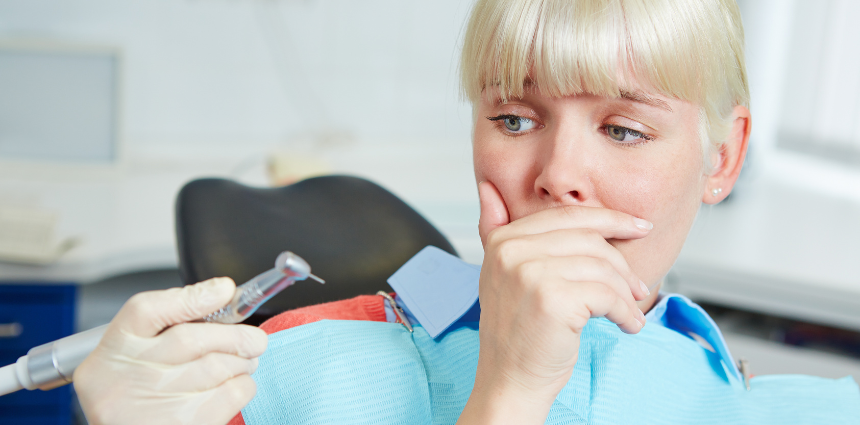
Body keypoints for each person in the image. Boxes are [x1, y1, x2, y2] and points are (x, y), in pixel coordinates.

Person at [70, 0, 857, 424]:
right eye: (515, 119)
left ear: (723, 156)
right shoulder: (271, 378)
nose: (558, 177)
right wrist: (509, 392)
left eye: (624, 129)